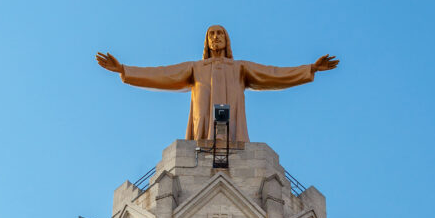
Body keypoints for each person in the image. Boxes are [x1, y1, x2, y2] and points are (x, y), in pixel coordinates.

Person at [96, 25, 339, 143]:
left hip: (233, 129)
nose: (215, 37)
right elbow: (163, 74)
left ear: (227, 39)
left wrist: (310, 69)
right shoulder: (196, 68)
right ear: (206, 41)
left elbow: (273, 74)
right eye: (211, 34)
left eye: (219, 33)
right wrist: (124, 70)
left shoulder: (239, 67)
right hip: (202, 127)